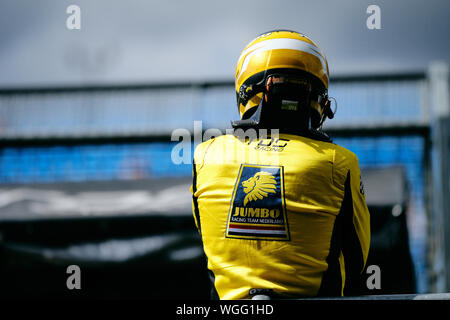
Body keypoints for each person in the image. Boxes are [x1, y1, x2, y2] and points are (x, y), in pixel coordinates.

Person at [191, 30, 370, 300]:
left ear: (245, 92)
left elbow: (205, 238)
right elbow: (357, 261)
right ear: (320, 98)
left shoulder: (205, 156)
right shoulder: (341, 162)